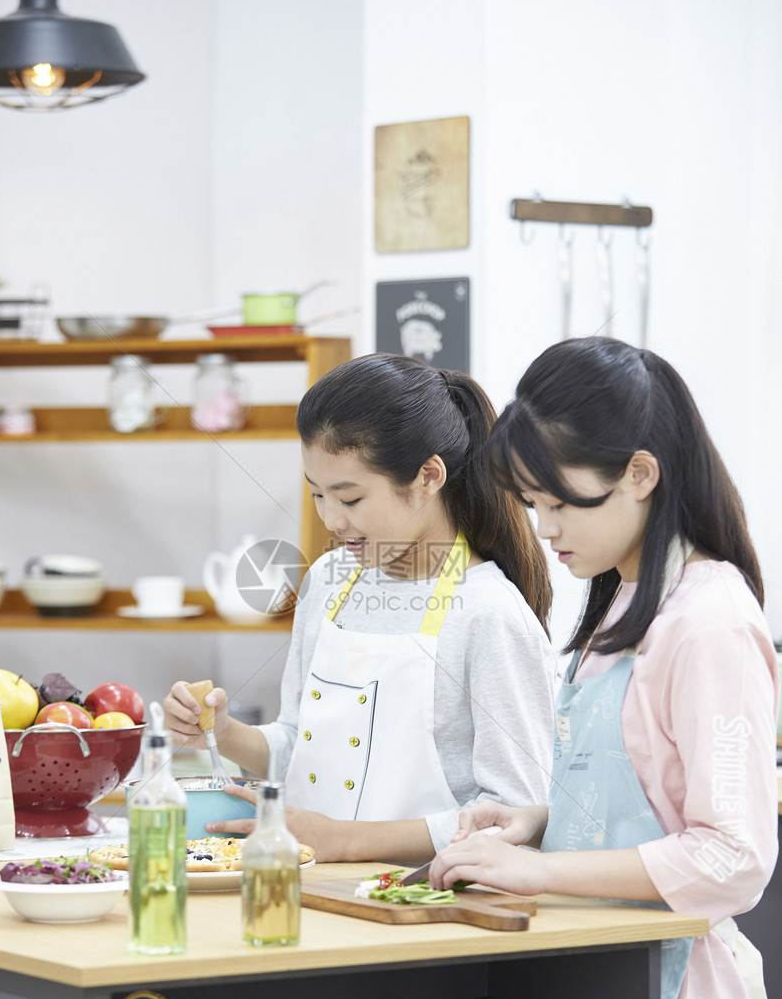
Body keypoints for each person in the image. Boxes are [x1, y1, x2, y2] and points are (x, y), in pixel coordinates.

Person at [428, 336, 781, 999]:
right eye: (532, 503)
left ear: (640, 475)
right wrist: (534, 825)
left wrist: (540, 873)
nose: (546, 529)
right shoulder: (627, 598)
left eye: (559, 504)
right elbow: (640, 797)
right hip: (604, 995)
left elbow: (732, 855)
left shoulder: (709, 622)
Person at [164, 351, 557, 863]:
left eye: (350, 500)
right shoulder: (329, 580)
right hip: (310, 888)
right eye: (317, 496)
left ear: (427, 477)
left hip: (423, 910)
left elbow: (519, 815)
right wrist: (222, 733)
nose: (332, 520)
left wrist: (347, 841)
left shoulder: (487, 612)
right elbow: (297, 746)